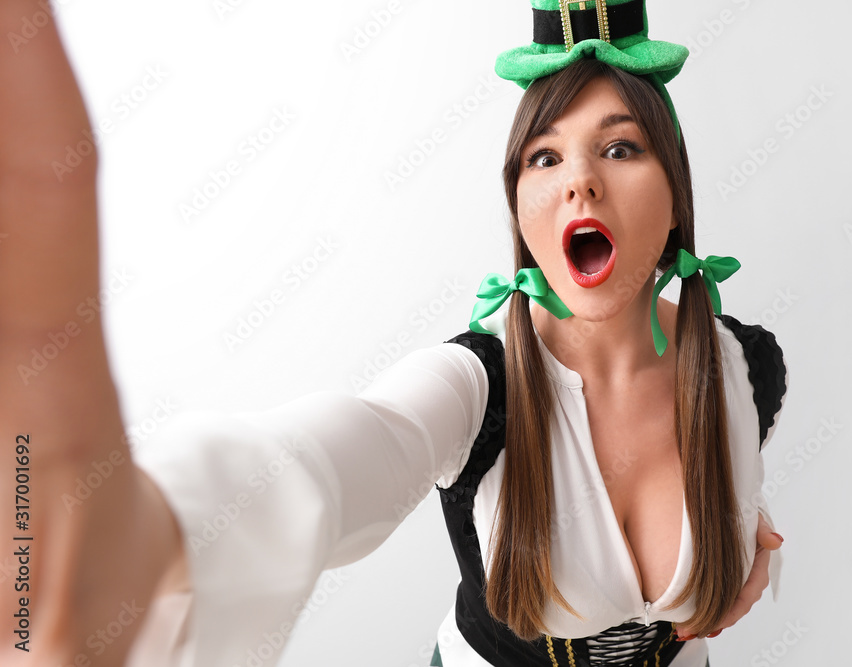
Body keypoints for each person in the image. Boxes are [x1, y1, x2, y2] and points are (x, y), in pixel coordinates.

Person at [0, 1, 786, 666]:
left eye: (620, 147)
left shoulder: (747, 366)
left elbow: (730, 496)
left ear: (675, 187)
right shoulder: (476, 387)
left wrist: (736, 528)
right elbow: (337, 457)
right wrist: (137, 533)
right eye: (543, 157)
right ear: (519, 205)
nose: (578, 178)